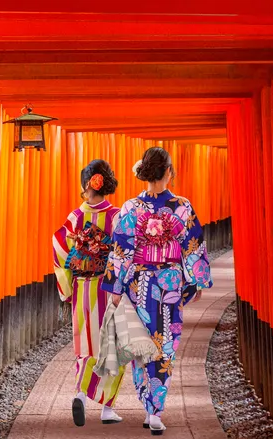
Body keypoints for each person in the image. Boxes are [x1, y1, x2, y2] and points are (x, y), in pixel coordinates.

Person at [102, 147, 214, 436]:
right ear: (168, 172)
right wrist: (197, 280)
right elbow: (193, 245)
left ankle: (148, 405)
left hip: (139, 284)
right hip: (168, 283)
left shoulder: (130, 208)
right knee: (164, 345)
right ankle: (155, 410)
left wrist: (116, 286)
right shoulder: (182, 206)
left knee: (143, 344)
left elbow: (121, 250)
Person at [52, 159, 126, 427]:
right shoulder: (117, 216)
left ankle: (81, 394)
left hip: (83, 287)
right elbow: (123, 253)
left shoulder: (75, 217)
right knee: (114, 344)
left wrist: (67, 286)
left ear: (87, 185)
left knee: (85, 342)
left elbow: (59, 248)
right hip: (110, 288)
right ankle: (107, 408)